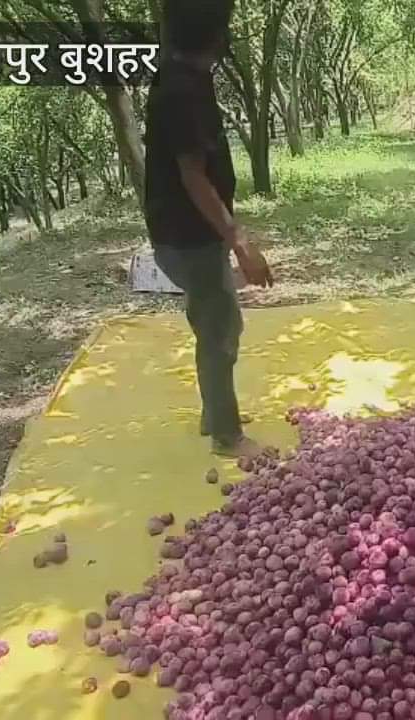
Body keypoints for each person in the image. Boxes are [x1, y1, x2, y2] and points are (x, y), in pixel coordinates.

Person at [145, 0, 273, 458]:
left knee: (214, 319)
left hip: (181, 230)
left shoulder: (179, 73)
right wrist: (239, 241)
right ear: (216, 36)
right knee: (220, 327)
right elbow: (192, 175)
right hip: (189, 234)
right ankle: (227, 436)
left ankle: (213, 413)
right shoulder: (183, 91)